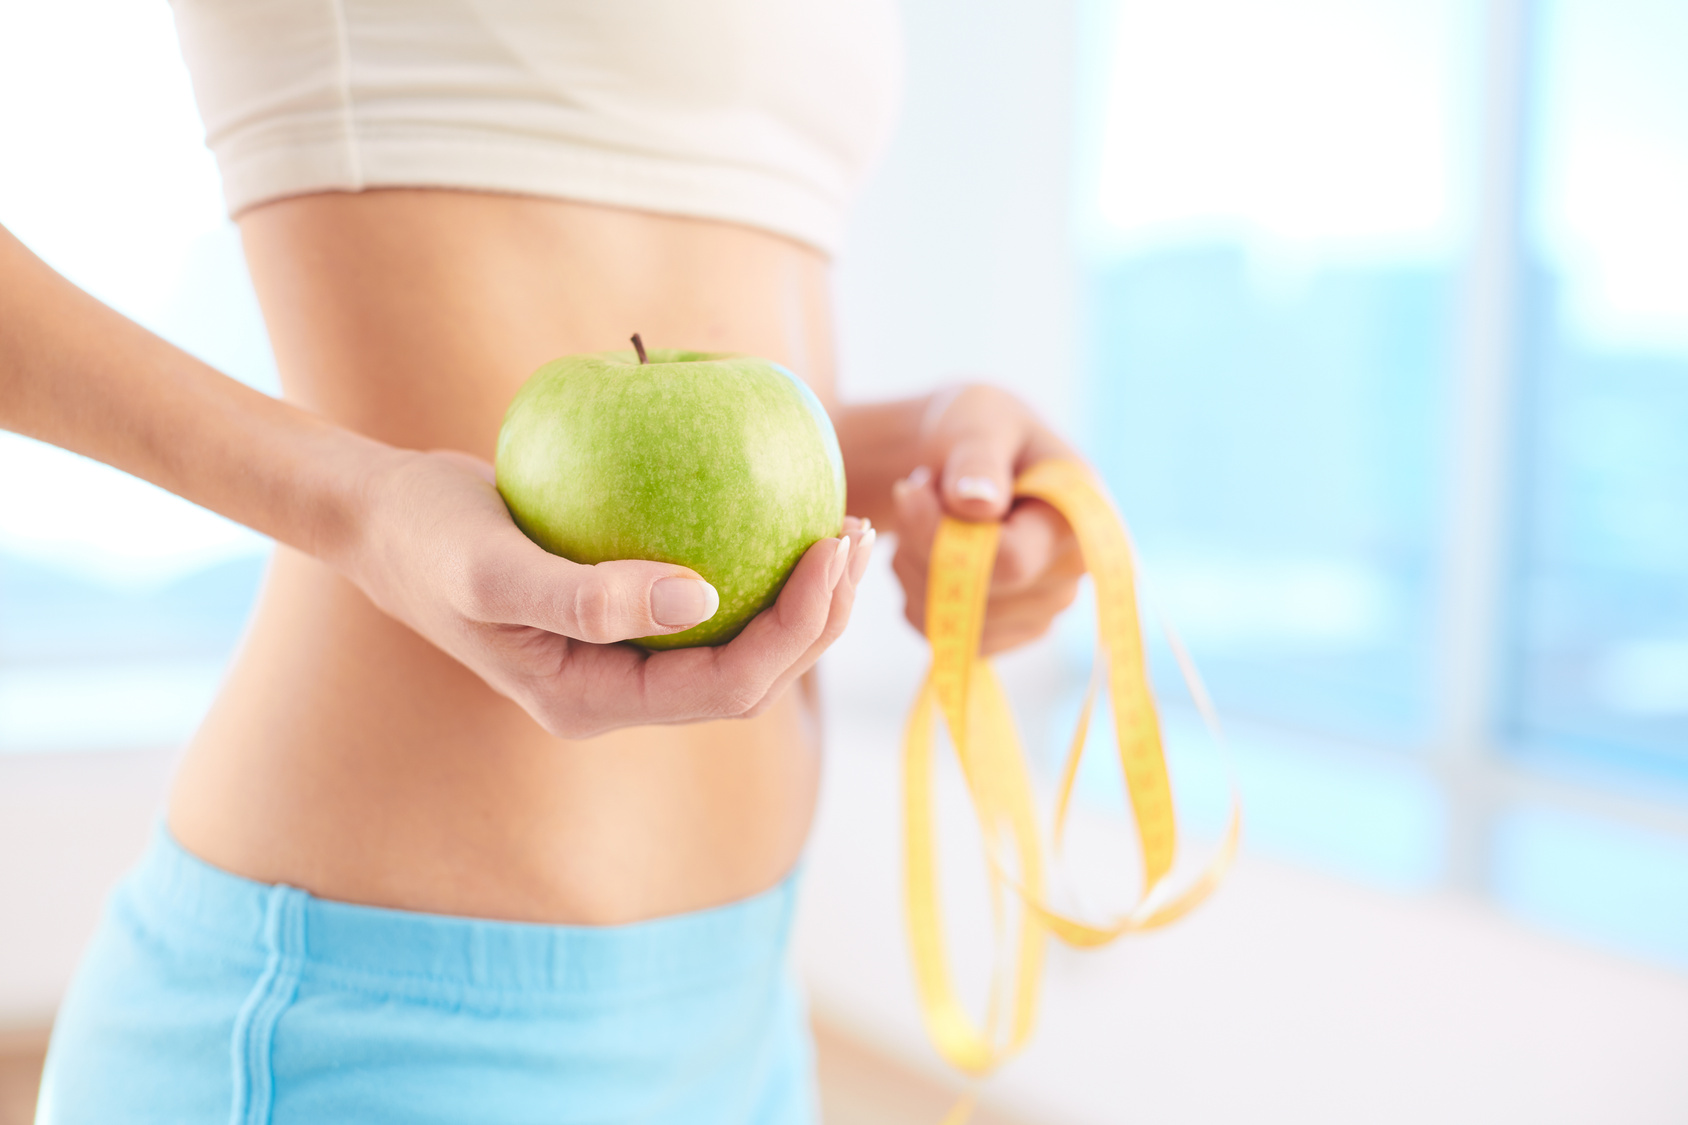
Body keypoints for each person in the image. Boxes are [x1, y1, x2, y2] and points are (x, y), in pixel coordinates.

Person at [5, 1, 1083, 1121]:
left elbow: (696, 449)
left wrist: (923, 449)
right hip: (375, 1028)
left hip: (744, 1012)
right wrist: (363, 504)